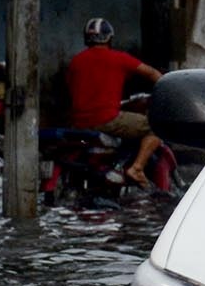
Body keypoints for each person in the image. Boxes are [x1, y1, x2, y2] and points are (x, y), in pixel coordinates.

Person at [65, 17, 166, 187]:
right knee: (156, 127)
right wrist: (169, 87)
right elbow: (151, 73)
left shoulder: (76, 61)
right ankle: (137, 168)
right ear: (109, 38)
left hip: (79, 123)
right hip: (107, 120)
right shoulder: (119, 58)